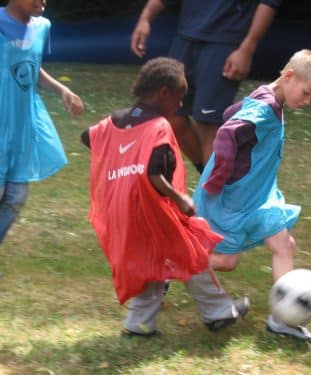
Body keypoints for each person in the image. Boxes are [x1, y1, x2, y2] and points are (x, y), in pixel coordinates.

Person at [81, 57, 249, 337]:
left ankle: (139, 325)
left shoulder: (113, 121)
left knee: (153, 262)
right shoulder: (159, 128)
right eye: (180, 98)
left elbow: (88, 137)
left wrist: (120, 160)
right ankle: (218, 313)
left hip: (120, 210)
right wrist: (181, 199)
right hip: (152, 211)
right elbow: (153, 174)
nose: (181, 106)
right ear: (163, 93)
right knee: (192, 256)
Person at [193, 49, 311, 341]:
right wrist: (218, 179)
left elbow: (232, 112)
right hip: (233, 199)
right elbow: (228, 132)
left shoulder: (268, 95)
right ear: (289, 77)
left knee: (284, 244)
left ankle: (283, 320)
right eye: (306, 93)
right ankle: (173, 265)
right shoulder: (266, 107)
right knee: (228, 262)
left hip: (259, 197)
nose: (307, 102)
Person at [130, 0, 281, 173]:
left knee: (208, 124)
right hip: (185, 38)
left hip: (224, 40)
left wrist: (247, 48)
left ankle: (214, 191)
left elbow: (268, 3)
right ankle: (213, 179)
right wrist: (145, 19)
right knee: (171, 117)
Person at [0, 0, 84, 243]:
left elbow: (30, 66)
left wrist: (62, 90)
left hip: (21, 124)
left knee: (15, 196)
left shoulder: (42, 26)